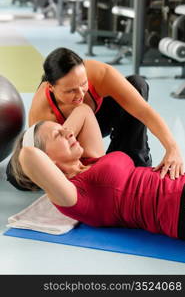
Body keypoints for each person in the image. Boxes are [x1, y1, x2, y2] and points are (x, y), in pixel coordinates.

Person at [6, 47, 183, 190]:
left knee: (137, 85)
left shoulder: (99, 74)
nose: (80, 94)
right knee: (18, 176)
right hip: (67, 138)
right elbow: (56, 164)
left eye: (83, 84)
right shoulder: (42, 114)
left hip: (100, 120)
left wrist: (172, 148)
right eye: (70, 91)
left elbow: (144, 111)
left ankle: (133, 157)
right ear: (51, 88)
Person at [10, 104, 185, 240]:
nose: (69, 131)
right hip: (176, 208)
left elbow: (83, 111)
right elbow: (28, 154)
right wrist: (43, 142)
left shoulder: (90, 159)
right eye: (58, 135)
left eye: (63, 128)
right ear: (46, 158)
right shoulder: (74, 195)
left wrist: (60, 135)